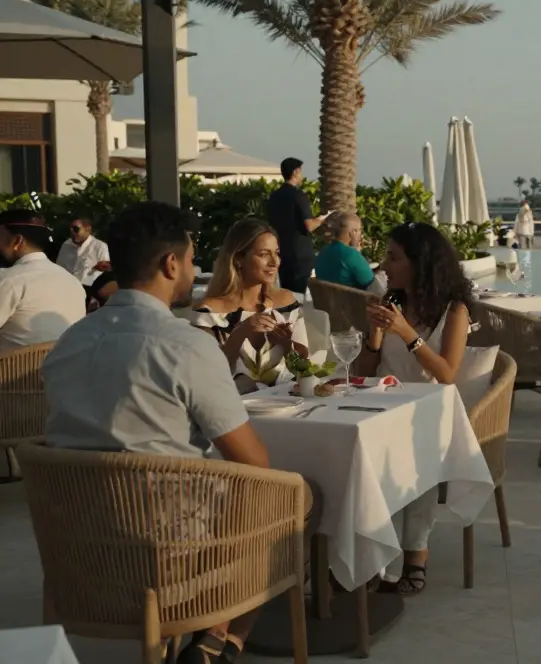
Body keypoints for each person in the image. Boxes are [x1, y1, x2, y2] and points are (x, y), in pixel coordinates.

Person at [42, 201, 316, 664]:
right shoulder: (184, 345)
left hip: (76, 546)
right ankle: (221, 637)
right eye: (191, 260)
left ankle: (215, 641)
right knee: (299, 497)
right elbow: (254, 464)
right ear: (171, 264)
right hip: (169, 548)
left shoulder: (69, 342)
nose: (193, 270)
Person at [353, 221, 474, 595]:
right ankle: (369, 551)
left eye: (393, 257)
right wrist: (373, 340)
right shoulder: (391, 303)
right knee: (359, 456)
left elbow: (448, 373)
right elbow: (363, 372)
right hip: (383, 405)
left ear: (419, 263)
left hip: (429, 410)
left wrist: (407, 334)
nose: (384, 265)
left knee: (412, 449)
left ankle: (415, 553)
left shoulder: (454, 311)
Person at [186, 219, 309, 393]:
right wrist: (241, 332)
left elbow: (305, 369)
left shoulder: (286, 302)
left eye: (277, 253)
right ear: (238, 259)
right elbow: (205, 374)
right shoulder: (209, 311)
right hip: (235, 407)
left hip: (290, 402)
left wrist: (287, 345)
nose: (275, 262)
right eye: (264, 254)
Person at [0, 209, 85, 353]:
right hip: (61, 371)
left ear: (17, 241)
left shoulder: (8, 280)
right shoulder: (73, 282)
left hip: (12, 374)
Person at [266, 157, 330, 295]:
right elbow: (308, 226)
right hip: (300, 255)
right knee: (299, 295)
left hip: (282, 252)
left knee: (286, 293)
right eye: (300, 171)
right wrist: (321, 219)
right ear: (295, 172)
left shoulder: (274, 196)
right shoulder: (299, 196)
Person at [315, 212, 377, 290]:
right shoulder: (351, 255)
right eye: (360, 230)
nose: (361, 235)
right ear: (353, 232)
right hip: (350, 301)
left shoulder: (323, 251)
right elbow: (371, 282)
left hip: (325, 300)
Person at [55, 215, 111, 285]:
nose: (72, 232)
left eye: (76, 229)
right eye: (70, 229)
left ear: (87, 229)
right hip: (67, 287)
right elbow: (58, 268)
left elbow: (105, 271)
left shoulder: (100, 246)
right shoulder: (66, 245)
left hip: (89, 289)